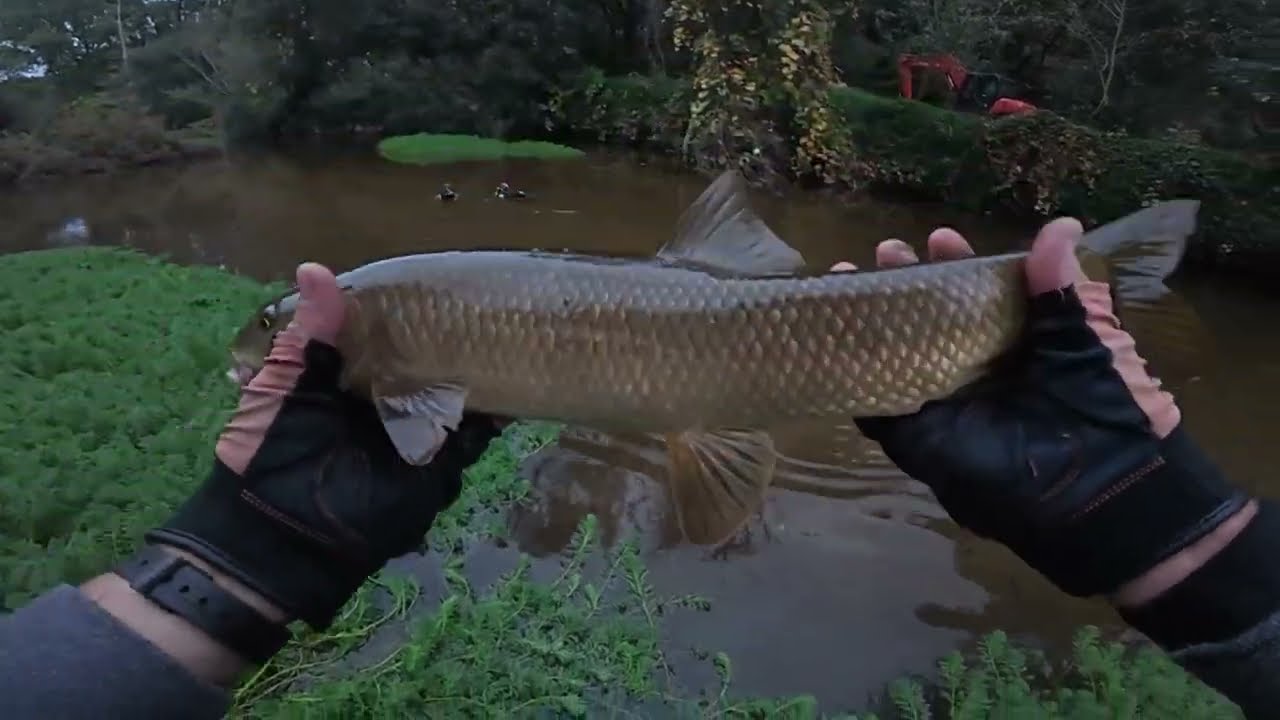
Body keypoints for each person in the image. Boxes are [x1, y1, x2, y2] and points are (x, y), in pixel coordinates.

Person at [1, 217, 1276, 719]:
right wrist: (1190, 553)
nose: (263, 343)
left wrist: (223, 570)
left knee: (927, 316)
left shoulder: (384, 306)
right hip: (752, 357)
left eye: (279, 326)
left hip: (774, 336)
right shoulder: (394, 315)